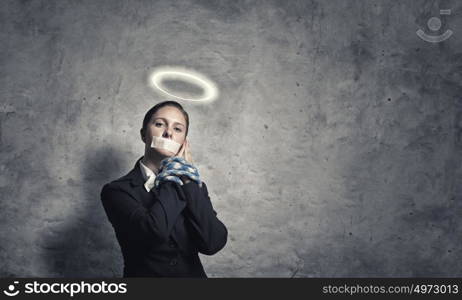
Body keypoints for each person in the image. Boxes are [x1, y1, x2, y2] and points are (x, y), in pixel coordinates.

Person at [100, 100, 227, 277]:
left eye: (178, 129)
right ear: (144, 134)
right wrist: (173, 176)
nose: (168, 133)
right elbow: (154, 232)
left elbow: (213, 243)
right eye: (159, 124)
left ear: (184, 142)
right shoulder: (116, 191)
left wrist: (188, 182)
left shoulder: (193, 186)